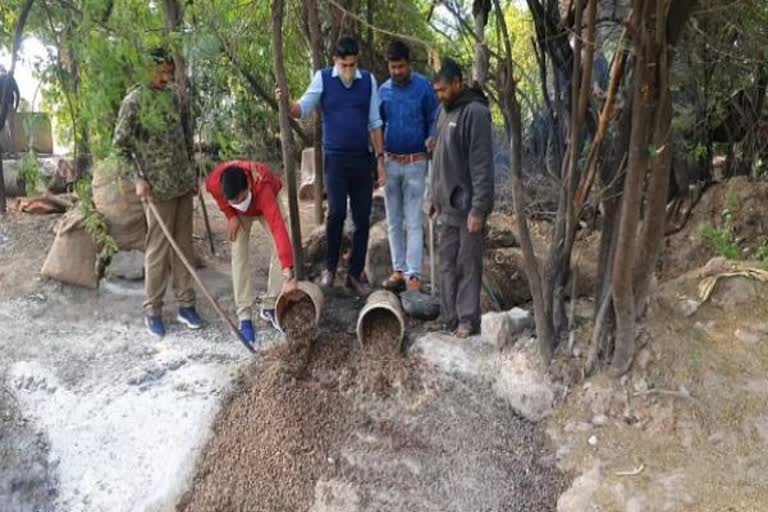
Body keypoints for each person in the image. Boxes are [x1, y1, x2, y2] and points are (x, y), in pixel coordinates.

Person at [113, 47, 206, 337]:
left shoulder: (178, 96)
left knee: (184, 247)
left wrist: (192, 173)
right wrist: (137, 178)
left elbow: (187, 138)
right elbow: (119, 149)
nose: (166, 77)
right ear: (148, 69)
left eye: (169, 71)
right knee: (157, 250)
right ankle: (152, 309)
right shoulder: (135, 101)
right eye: (161, 71)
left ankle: (186, 305)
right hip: (156, 190)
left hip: (181, 185)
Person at [282, 36, 386, 296]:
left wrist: (380, 161)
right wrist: (286, 102)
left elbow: (374, 123)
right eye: (344, 65)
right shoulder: (324, 78)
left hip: (362, 159)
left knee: (362, 218)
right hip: (336, 159)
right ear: (336, 61)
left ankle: (355, 273)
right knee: (336, 213)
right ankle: (330, 267)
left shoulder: (368, 82)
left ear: (356, 62)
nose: (348, 70)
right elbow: (301, 109)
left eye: (352, 65)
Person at [430, 58, 494, 338]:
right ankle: (449, 316)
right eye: (437, 91)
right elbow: (438, 159)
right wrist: (432, 197)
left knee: (468, 264)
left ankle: (468, 319)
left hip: (468, 207)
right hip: (446, 204)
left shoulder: (476, 113)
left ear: (458, 83)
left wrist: (479, 208)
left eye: (444, 90)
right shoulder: (443, 112)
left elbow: (482, 165)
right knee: (446, 262)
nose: (440, 96)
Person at [205, 161, 298, 344]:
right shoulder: (214, 184)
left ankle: (271, 305)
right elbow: (222, 199)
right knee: (238, 254)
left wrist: (288, 271)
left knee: (282, 242)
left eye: (241, 199)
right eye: (234, 201)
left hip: (264, 199)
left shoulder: (261, 186)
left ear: (248, 184)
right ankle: (244, 316)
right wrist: (231, 215)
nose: (240, 204)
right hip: (237, 213)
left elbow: (278, 228)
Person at [378, 40, 439, 293]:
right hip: (391, 162)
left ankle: (414, 274)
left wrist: (433, 135)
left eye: (401, 67)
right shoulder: (383, 92)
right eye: (393, 67)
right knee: (393, 220)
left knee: (414, 220)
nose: (396, 72)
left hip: (416, 163)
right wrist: (378, 161)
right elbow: (376, 126)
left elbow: (435, 117)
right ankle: (399, 270)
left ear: (409, 65)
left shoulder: (424, 87)